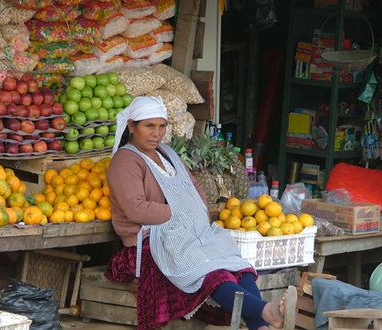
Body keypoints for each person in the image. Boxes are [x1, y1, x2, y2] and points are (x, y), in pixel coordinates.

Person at [106, 96, 297, 330]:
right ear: (132, 126)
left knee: (236, 264)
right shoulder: (125, 160)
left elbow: (194, 187)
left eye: (162, 126)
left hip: (186, 231)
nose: (157, 133)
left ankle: (260, 326)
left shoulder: (167, 153)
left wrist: (193, 213)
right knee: (213, 274)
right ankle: (266, 311)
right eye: (149, 126)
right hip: (151, 239)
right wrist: (179, 212)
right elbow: (136, 209)